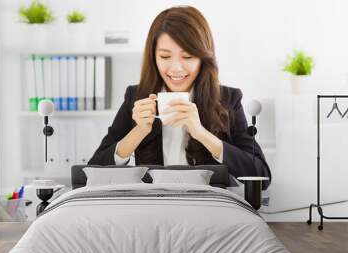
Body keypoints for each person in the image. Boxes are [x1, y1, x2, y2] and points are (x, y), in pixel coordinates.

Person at [88, 6, 271, 189]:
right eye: (165, 56)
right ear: (153, 57)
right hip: (154, 207)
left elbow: (261, 176)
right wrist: (138, 131)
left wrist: (201, 133)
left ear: (203, 59)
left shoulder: (228, 99)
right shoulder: (136, 97)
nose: (176, 68)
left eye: (188, 56)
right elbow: (92, 172)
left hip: (209, 208)